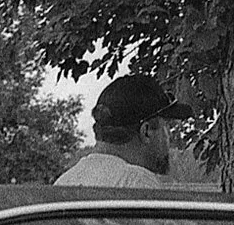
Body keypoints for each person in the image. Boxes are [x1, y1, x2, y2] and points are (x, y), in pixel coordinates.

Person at [54, 77, 193, 186]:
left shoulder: (64, 182)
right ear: (146, 132)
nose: (169, 137)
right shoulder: (138, 182)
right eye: (166, 126)